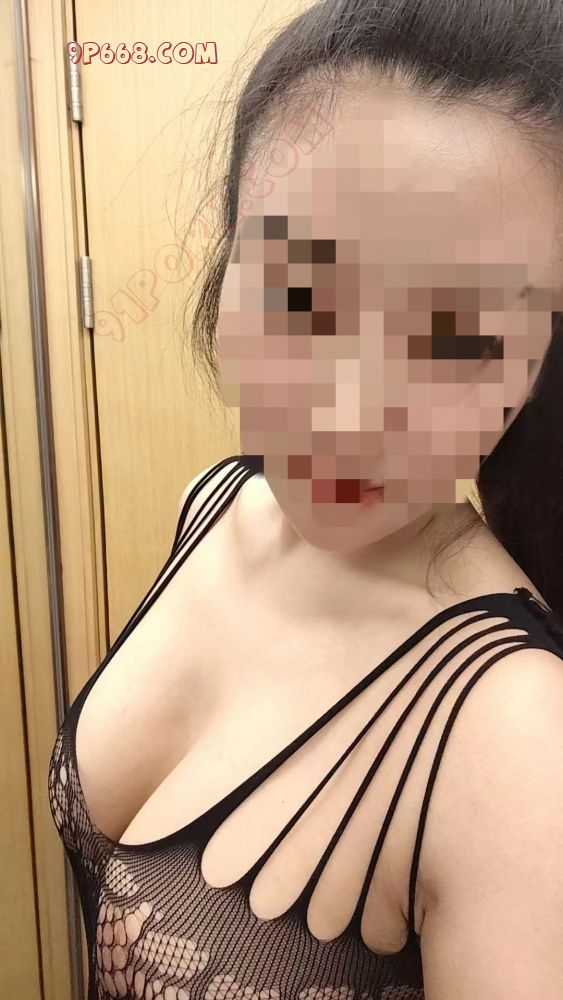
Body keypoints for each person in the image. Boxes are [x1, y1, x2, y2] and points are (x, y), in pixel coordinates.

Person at [49, 1, 563, 997]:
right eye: (299, 296)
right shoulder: (216, 505)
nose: (348, 411)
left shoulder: (513, 737)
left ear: (538, 360)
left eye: (454, 333)